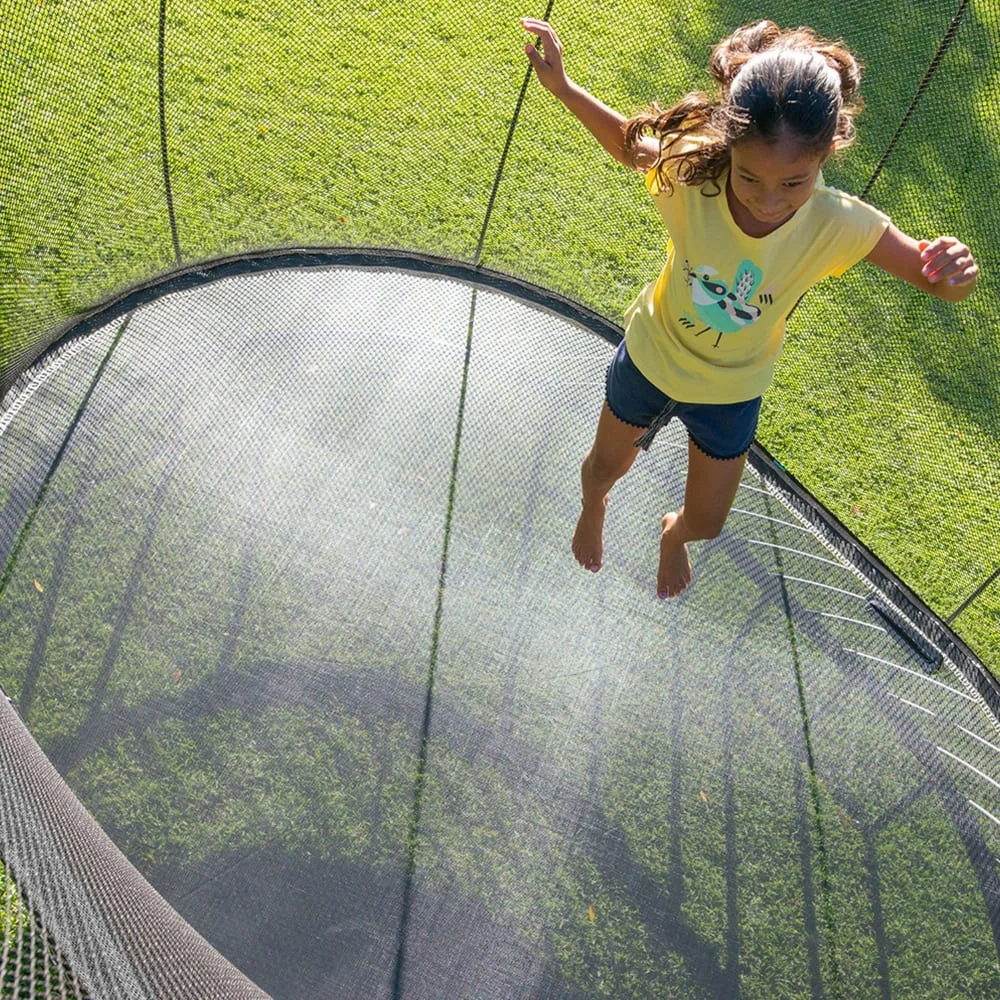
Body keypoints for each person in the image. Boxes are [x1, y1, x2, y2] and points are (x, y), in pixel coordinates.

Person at [520, 16, 979, 599]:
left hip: (731, 390)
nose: (768, 201)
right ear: (727, 145)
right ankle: (594, 505)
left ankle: (671, 536)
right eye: (749, 176)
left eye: (794, 182)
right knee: (602, 468)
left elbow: (939, 282)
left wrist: (956, 271)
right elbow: (628, 145)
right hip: (653, 353)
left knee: (707, 523)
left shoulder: (837, 223)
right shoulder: (692, 172)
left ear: (830, 150)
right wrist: (564, 88)